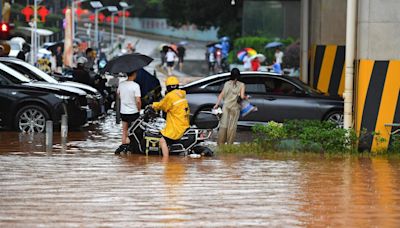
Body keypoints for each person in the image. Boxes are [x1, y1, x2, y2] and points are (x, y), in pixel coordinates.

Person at [152, 76, 190, 159]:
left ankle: (166, 161)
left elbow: (162, 105)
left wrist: (152, 105)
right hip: (184, 125)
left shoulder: (170, 96)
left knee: (162, 140)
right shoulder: (181, 94)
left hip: (176, 127)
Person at [213, 68, 247, 145]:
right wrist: (246, 97)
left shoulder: (226, 83)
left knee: (223, 125)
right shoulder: (241, 85)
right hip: (235, 108)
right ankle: (229, 145)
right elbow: (241, 97)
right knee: (232, 127)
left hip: (226, 107)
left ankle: (220, 144)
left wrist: (217, 104)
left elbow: (221, 95)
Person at [115, 70, 142, 153]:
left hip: (123, 112)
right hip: (133, 112)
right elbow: (138, 101)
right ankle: (133, 149)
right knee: (133, 131)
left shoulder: (121, 84)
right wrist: (139, 109)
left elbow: (118, 94)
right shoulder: (136, 86)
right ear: (134, 74)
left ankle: (124, 147)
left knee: (124, 131)